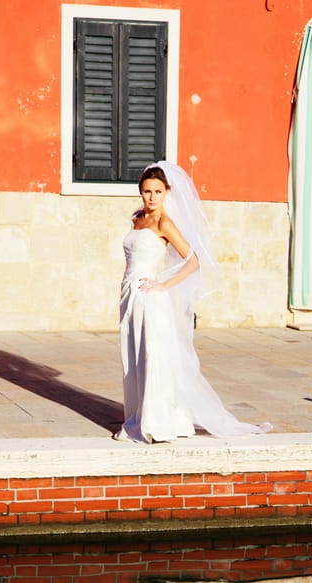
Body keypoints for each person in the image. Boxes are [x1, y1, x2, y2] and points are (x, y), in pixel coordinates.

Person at [115, 161, 272, 443]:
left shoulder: (165, 222)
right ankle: (140, 413)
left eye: (157, 192)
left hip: (151, 297)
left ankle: (158, 421)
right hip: (129, 295)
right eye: (147, 191)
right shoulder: (137, 217)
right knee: (134, 356)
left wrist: (161, 284)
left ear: (167, 192)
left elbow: (193, 261)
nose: (151, 197)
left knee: (154, 355)